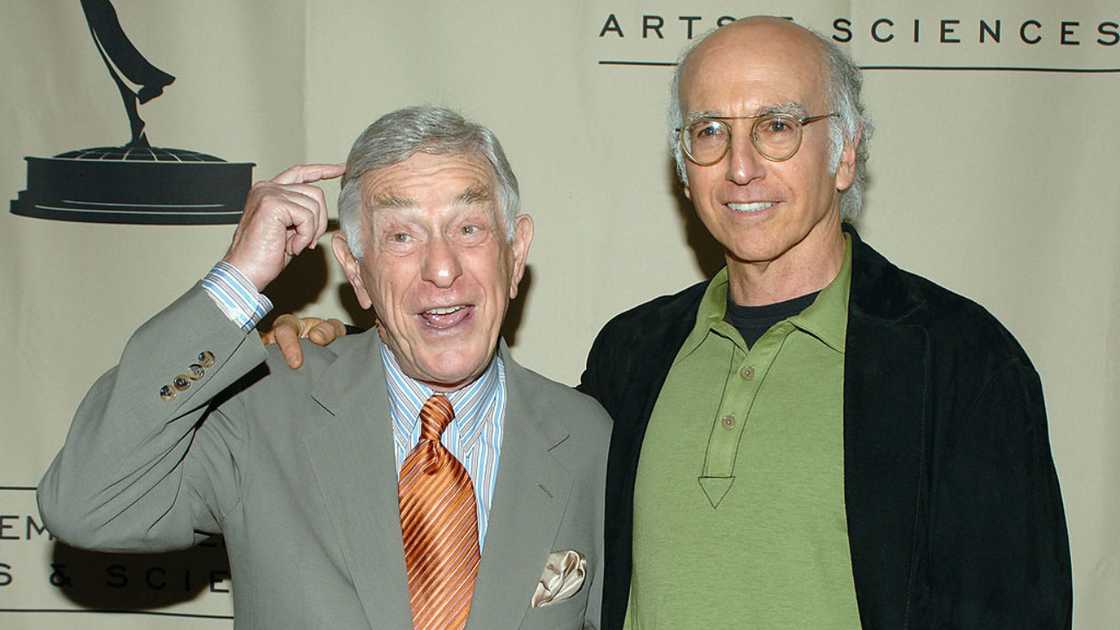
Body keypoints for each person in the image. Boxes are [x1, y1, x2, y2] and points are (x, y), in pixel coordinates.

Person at [269, 17, 1073, 630]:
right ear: (684, 170)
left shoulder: (960, 363)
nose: (742, 164)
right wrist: (348, 355)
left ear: (847, 152)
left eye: (779, 125)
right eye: (710, 131)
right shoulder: (633, 355)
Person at [38, 106, 611, 630]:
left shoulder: (590, 439)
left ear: (516, 253)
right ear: (355, 272)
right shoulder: (265, 407)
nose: (441, 269)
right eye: (401, 236)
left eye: (469, 228)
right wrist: (238, 283)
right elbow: (88, 505)